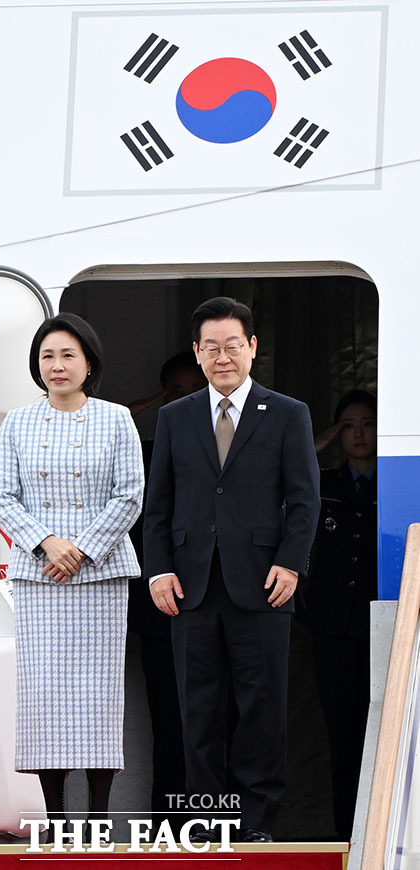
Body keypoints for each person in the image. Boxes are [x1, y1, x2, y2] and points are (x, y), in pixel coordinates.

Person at [142, 296, 320, 843]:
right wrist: (158, 571)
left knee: (261, 711)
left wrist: (291, 564)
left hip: (264, 585)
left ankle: (258, 826)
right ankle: (207, 827)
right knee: (198, 714)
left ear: (253, 349)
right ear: (197, 353)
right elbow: (160, 504)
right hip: (190, 587)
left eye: (233, 345)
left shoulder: (288, 413)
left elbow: (305, 499)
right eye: (212, 347)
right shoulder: (174, 417)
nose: (224, 356)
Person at [0, 312, 144, 840]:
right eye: (48, 356)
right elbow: (1, 497)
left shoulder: (117, 418)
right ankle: (54, 823)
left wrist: (82, 549)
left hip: (99, 578)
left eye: (68, 355)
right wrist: (46, 543)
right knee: (45, 700)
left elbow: (130, 495)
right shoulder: (16, 422)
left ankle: (98, 820)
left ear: (89, 362)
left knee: (98, 701)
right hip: (39, 577)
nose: (57, 366)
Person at [128, 352, 206, 835]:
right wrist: (156, 404)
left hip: (218, 608)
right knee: (169, 725)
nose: (182, 400)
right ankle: (168, 830)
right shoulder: (145, 450)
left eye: (189, 391)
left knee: (215, 722)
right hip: (160, 615)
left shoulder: (225, 446)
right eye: (172, 391)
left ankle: (218, 825)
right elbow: (88, 417)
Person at [304, 390, 377, 840]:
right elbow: (277, 479)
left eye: (367, 423)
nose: (358, 433)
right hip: (332, 626)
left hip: (387, 619)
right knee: (343, 733)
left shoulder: (401, 481)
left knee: (388, 729)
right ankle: (348, 834)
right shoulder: (322, 483)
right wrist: (319, 443)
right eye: (348, 424)